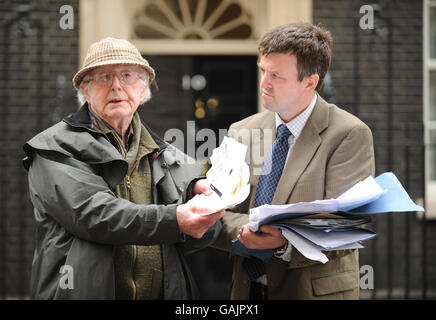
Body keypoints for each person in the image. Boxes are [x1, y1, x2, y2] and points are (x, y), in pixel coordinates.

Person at [23, 37, 225, 300]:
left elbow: (202, 235)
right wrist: (177, 218)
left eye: (127, 76)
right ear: (86, 90)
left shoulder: (169, 156)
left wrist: (206, 205)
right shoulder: (53, 148)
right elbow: (95, 215)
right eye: (104, 77)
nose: (116, 86)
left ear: (143, 91)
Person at [213, 23, 375, 299]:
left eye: (276, 75)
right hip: (247, 290)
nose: (264, 83)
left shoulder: (349, 133)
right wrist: (245, 231)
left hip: (311, 291)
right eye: (263, 70)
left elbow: (348, 224)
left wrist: (284, 241)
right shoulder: (241, 131)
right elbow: (216, 210)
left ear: (310, 82)